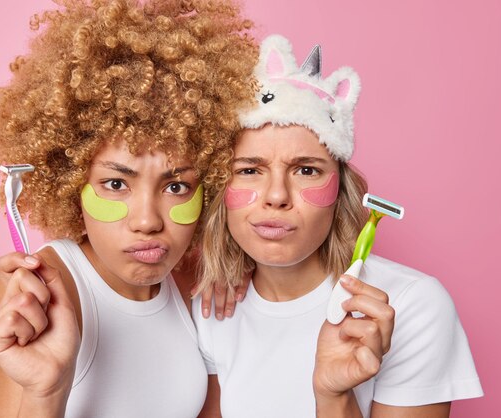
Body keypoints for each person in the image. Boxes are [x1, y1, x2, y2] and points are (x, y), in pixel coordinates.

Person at [0, 1, 257, 417]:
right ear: (72, 182)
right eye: (115, 184)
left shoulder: (189, 280)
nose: (148, 221)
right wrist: (45, 393)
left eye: (176, 186)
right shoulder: (47, 292)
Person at [193, 34, 483, 418]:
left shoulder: (411, 305)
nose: (276, 196)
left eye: (306, 170)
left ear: (340, 189)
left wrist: (334, 397)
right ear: (219, 189)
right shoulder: (211, 305)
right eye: (249, 170)